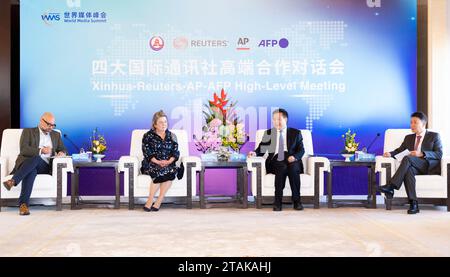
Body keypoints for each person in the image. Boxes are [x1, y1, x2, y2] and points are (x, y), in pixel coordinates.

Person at [2, 112, 67, 215]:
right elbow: (24, 150)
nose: (51, 127)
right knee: (32, 169)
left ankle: (13, 180)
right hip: (26, 163)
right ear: (41, 121)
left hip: (44, 166)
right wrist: (41, 150)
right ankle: (23, 206)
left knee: (36, 159)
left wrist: (61, 153)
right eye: (48, 124)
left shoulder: (56, 134)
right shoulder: (28, 131)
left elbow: (62, 149)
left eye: (53, 125)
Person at [379, 111, 443, 214]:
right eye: (411, 122)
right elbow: (400, 150)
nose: (412, 125)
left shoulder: (434, 136)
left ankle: (391, 186)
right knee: (408, 170)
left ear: (423, 124)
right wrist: (390, 154)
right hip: (413, 166)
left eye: (415, 122)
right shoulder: (408, 137)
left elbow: (439, 154)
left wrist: (421, 153)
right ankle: (414, 204)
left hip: (428, 166)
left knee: (407, 158)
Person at [248, 108, 305, 211]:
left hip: (292, 160)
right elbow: (262, 148)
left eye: (279, 119)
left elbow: (301, 150)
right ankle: (278, 201)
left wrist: (295, 157)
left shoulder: (296, 133)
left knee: (292, 168)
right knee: (281, 165)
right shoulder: (269, 133)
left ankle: (297, 201)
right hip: (275, 160)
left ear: (286, 119)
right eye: (274, 119)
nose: (276, 122)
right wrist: (254, 153)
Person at [141, 110, 180, 212]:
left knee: (170, 172)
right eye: (161, 122)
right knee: (159, 171)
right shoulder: (148, 136)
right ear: (155, 124)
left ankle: (159, 200)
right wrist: (158, 162)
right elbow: (147, 152)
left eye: (165, 122)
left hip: (168, 163)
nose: (164, 125)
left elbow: (175, 152)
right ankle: (150, 200)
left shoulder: (172, 136)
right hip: (152, 163)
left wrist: (169, 161)